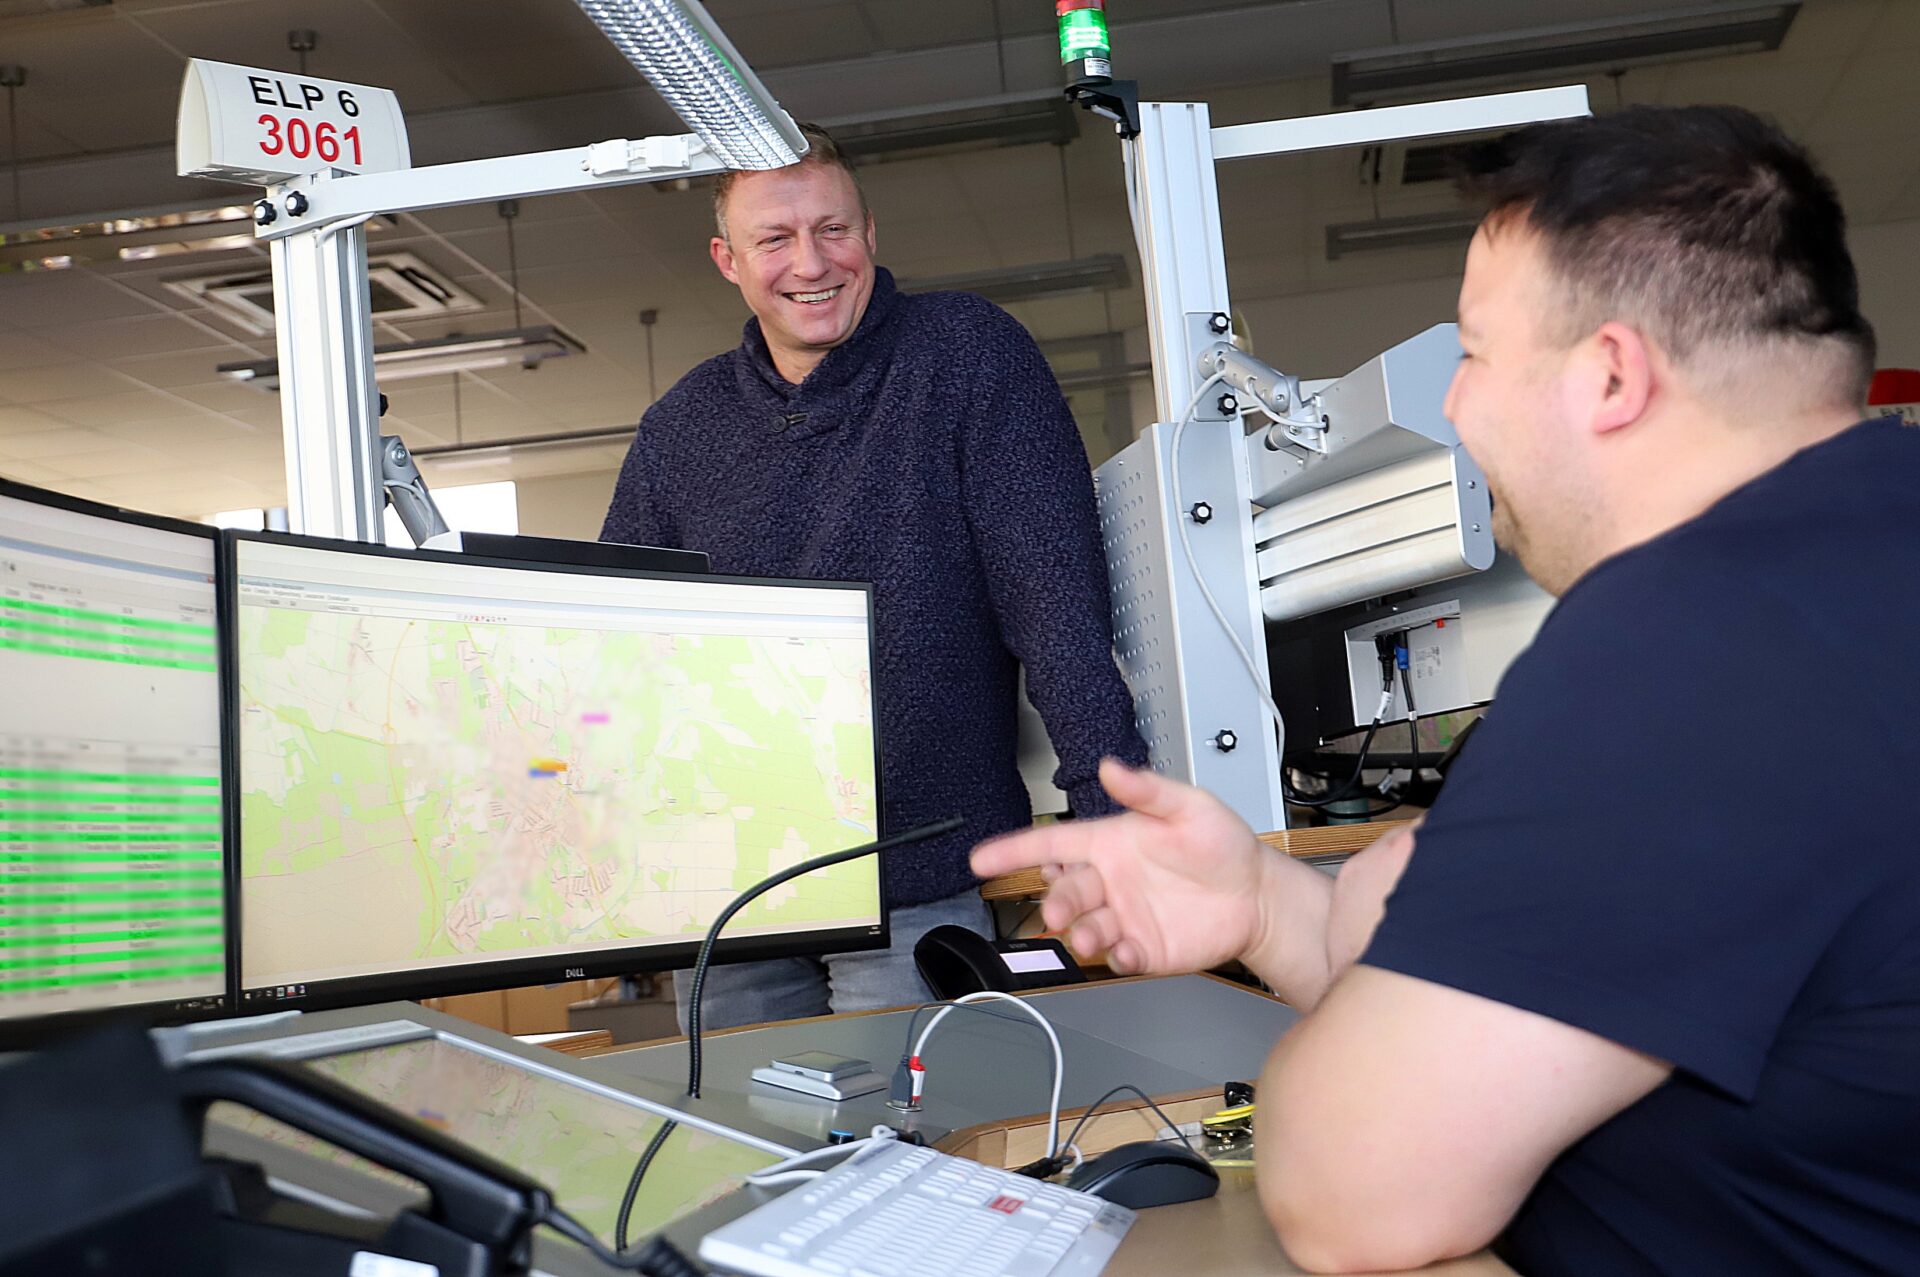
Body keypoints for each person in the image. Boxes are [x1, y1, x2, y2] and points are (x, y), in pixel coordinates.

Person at [973, 104, 1920, 1275]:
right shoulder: (1856, 559)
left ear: (1611, 374)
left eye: (1474, 354)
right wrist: (1273, 905)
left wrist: (1386, 912)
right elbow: (1545, 1012)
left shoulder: (1683, 650)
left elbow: (1349, 1191)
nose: (1456, 406)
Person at [601, 124, 1149, 1030]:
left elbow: (1054, 604)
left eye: (833, 229)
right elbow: (620, 658)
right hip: (734, 894)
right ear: (727, 261)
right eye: (774, 239)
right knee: (743, 1112)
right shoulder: (681, 428)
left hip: (920, 873)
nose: (810, 263)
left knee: (921, 1110)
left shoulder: (965, 355)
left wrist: (1106, 806)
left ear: (870, 232)